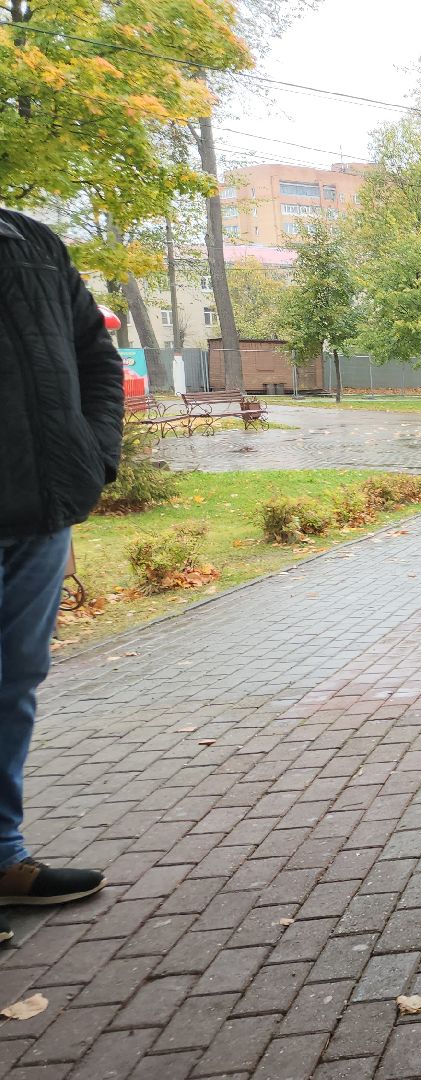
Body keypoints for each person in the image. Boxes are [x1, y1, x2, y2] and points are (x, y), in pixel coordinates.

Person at [0, 208, 122, 943]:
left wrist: (93, 452)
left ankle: (4, 858)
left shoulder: (30, 241)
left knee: (13, 685)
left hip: (39, 509)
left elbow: (93, 351)